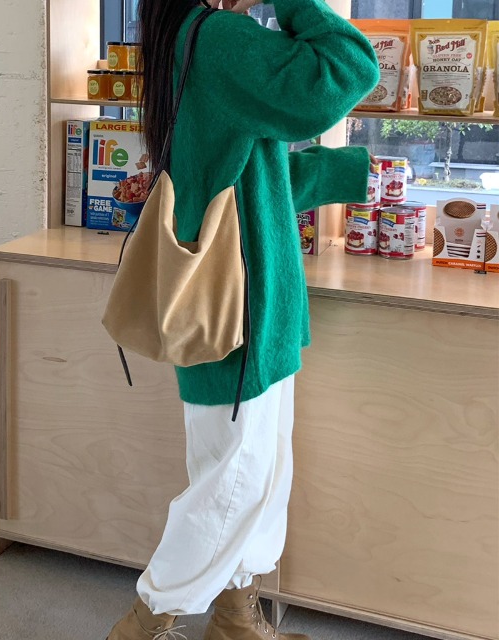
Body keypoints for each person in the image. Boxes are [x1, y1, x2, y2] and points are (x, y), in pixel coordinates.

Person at [107, 0, 379, 638]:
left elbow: (247, 174)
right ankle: (145, 622)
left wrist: (352, 172)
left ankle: (235, 619)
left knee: (258, 475)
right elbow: (346, 68)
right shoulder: (219, 39)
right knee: (234, 487)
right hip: (243, 313)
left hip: (251, 308)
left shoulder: (189, 37)